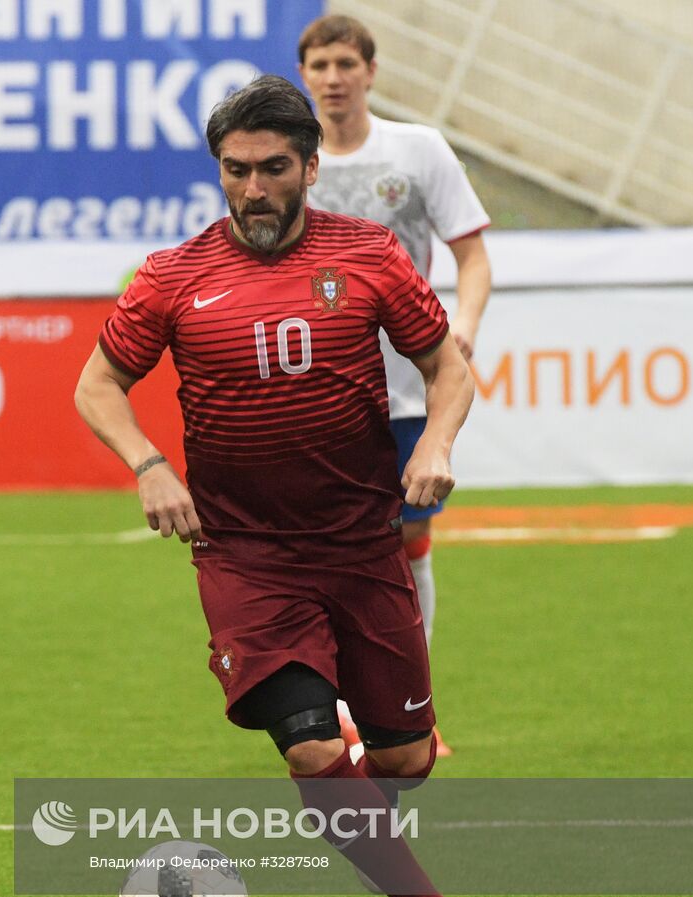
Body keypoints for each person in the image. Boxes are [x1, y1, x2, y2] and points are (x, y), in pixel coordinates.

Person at [74, 75, 490, 897]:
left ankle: (347, 814)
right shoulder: (173, 276)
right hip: (244, 555)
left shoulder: (371, 254)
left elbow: (445, 366)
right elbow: (96, 385)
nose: (253, 189)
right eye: (234, 171)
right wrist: (148, 466)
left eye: (271, 169)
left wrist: (435, 446)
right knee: (309, 743)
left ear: (309, 166)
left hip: (360, 545)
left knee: (406, 758)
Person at [298, 16, 492, 742]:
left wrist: (462, 328)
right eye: (319, 64)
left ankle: (412, 708)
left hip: (406, 386)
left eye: (346, 62)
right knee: (324, 552)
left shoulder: (416, 151)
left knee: (406, 544)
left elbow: (470, 257)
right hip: (313, 395)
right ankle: (338, 713)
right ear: (305, 74)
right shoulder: (289, 159)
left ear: (370, 72)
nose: (333, 76)